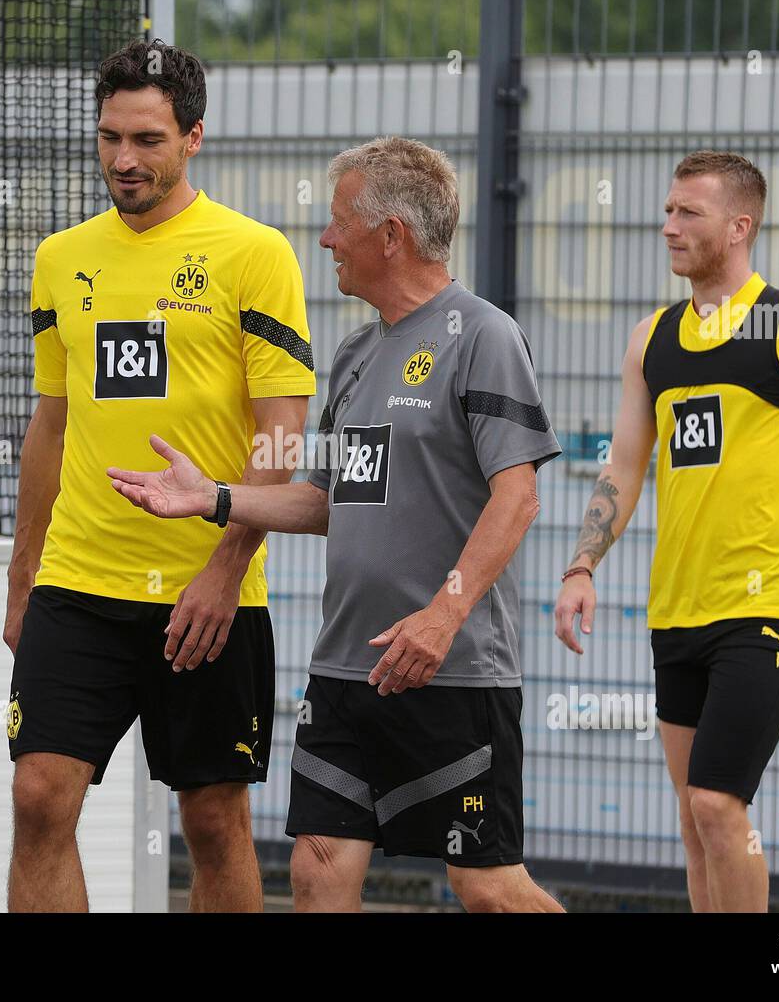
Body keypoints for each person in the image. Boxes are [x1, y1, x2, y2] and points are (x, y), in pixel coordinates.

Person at [109, 137, 565, 913]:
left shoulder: (483, 336)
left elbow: (517, 497)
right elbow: (325, 500)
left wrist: (443, 614)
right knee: (318, 875)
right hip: (345, 673)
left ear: (391, 234)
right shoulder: (355, 354)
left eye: (338, 222)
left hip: (450, 671)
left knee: (488, 889)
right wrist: (212, 495)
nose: (325, 240)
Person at [3, 39, 316, 912]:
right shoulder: (61, 257)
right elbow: (52, 427)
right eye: (109, 137)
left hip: (206, 593)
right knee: (38, 798)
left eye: (146, 139)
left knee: (213, 818)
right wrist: (23, 577)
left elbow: (282, 436)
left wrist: (226, 567)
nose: (123, 158)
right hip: (79, 580)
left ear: (194, 138)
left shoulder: (256, 254)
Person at [553, 150, 779, 912]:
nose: (667, 227)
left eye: (686, 213)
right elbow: (624, 467)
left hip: (768, 604)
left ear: (739, 225)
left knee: (720, 806)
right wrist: (580, 565)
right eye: (667, 211)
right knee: (697, 821)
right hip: (679, 608)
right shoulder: (651, 339)